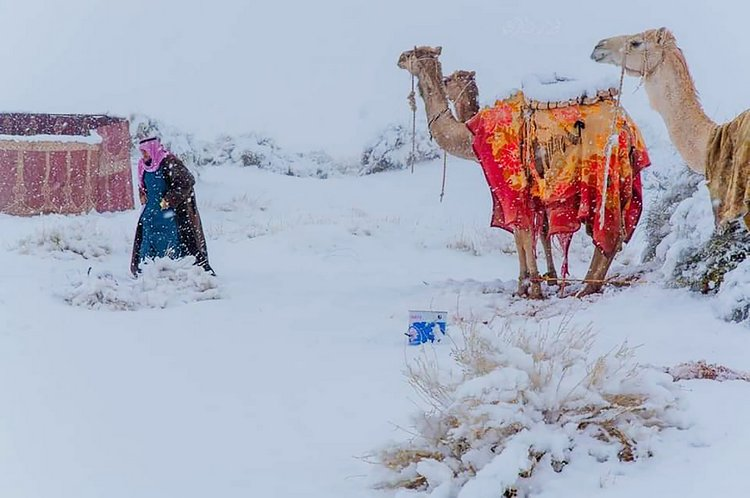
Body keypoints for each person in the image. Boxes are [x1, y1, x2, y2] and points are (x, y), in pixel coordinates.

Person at [130, 137, 214, 276]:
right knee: (147, 239)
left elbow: (187, 181)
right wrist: (142, 194)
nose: (143, 155)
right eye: (142, 152)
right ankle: (147, 271)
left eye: (145, 152)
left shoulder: (169, 162)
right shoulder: (143, 165)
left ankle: (172, 271)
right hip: (150, 212)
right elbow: (142, 185)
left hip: (168, 213)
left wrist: (169, 200)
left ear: (153, 149)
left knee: (168, 240)